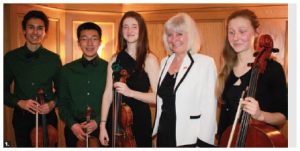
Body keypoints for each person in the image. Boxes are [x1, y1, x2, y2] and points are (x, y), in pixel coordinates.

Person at [216, 9, 288, 145]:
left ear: (257, 31)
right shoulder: (226, 68)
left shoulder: (273, 69)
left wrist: (260, 115)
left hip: (257, 142)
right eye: (231, 32)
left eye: (242, 31)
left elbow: (282, 117)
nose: (236, 37)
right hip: (227, 141)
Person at [152, 13, 217, 147]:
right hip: (164, 134)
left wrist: (203, 144)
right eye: (170, 34)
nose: (174, 39)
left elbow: (209, 109)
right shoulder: (164, 62)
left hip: (190, 138)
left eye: (179, 34)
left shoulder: (205, 63)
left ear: (190, 35)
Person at [99, 11, 160, 147]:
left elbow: (158, 97)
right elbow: (108, 94)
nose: (129, 30)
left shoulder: (149, 59)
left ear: (141, 30)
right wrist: (102, 125)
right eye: (125, 26)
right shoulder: (114, 59)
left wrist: (130, 92)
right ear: (121, 31)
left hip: (139, 120)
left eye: (134, 26)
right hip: (115, 120)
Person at [4, 10, 62, 147]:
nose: (35, 32)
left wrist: (52, 104)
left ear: (45, 32)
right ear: (24, 30)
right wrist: (19, 102)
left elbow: (62, 91)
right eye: (31, 27)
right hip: (22, 118)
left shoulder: (54, 59)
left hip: (47, 118)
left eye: (40, 28)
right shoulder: (11, 58)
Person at [58, 22, 108, 147]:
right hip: (74, 129)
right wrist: (72, 125)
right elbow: (62, 103)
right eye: (84, 39)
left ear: (100, 42)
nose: (90, 43)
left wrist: (97, 122)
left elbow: (113, 102)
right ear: (78, 43)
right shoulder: (66, 70)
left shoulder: (109, 68)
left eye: (94, 39)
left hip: (103, 127)